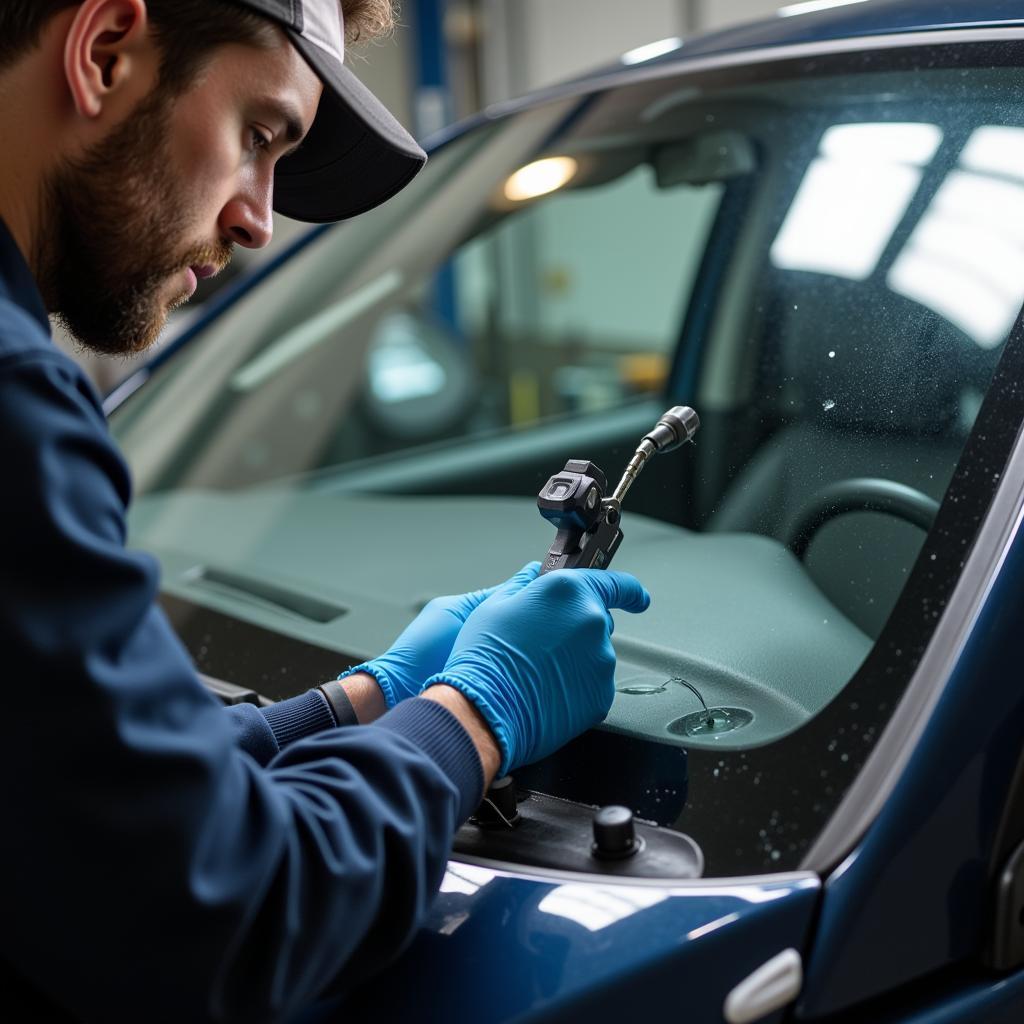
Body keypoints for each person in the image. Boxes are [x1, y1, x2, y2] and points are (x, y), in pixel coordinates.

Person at [0, 1, 651, 1020]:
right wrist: (473, 714)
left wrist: (359, 698)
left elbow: (61, 786)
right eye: (257, 136)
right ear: (104, 50)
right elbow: (224, 915)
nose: (260, 219)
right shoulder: (15, 404)